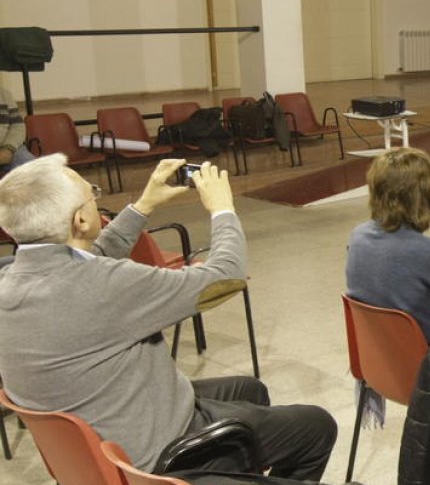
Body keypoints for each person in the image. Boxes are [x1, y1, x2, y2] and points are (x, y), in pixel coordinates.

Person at [0, 156, 337, 482]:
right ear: (82, 220)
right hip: (162, 453)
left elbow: (83, 260)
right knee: (316, 427)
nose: (95, 200)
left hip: (98, 442)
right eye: (92, 194)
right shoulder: (110, 284)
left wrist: (144, 204)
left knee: (250, 390)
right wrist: (222, 208)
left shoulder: (10, 280)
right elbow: (225, 277)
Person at [346, 147, 430, 343]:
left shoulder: (357, 237)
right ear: (426, 196)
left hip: (376, 359)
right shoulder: (428, 251)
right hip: (428, 363)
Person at [0, 86, 35, 176]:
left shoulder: (5, 94)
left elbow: (18, 125)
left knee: (32, 167)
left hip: (9, 148)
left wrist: (8, 149)